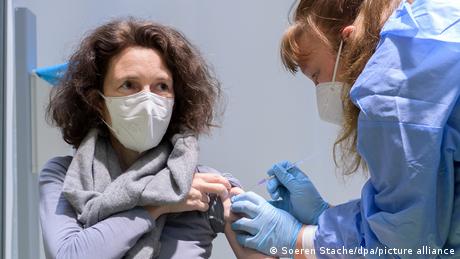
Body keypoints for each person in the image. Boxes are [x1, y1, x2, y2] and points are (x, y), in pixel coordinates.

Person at [230, 0, 460, 258]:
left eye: (316, 75)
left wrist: (299, 240)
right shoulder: (433, 23)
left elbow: (405, 243)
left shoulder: (389, 89)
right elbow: (425, 207)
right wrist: (325, 216)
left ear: (349, 40)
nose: (319, 90)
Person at [39, 18, 272, 259]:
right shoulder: (64, 176)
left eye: (161, 86)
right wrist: (159, 203)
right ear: (98, 103)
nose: (148, 102)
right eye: (129, 84)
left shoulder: (205, 184)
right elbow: (69, 255)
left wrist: (291, 232)